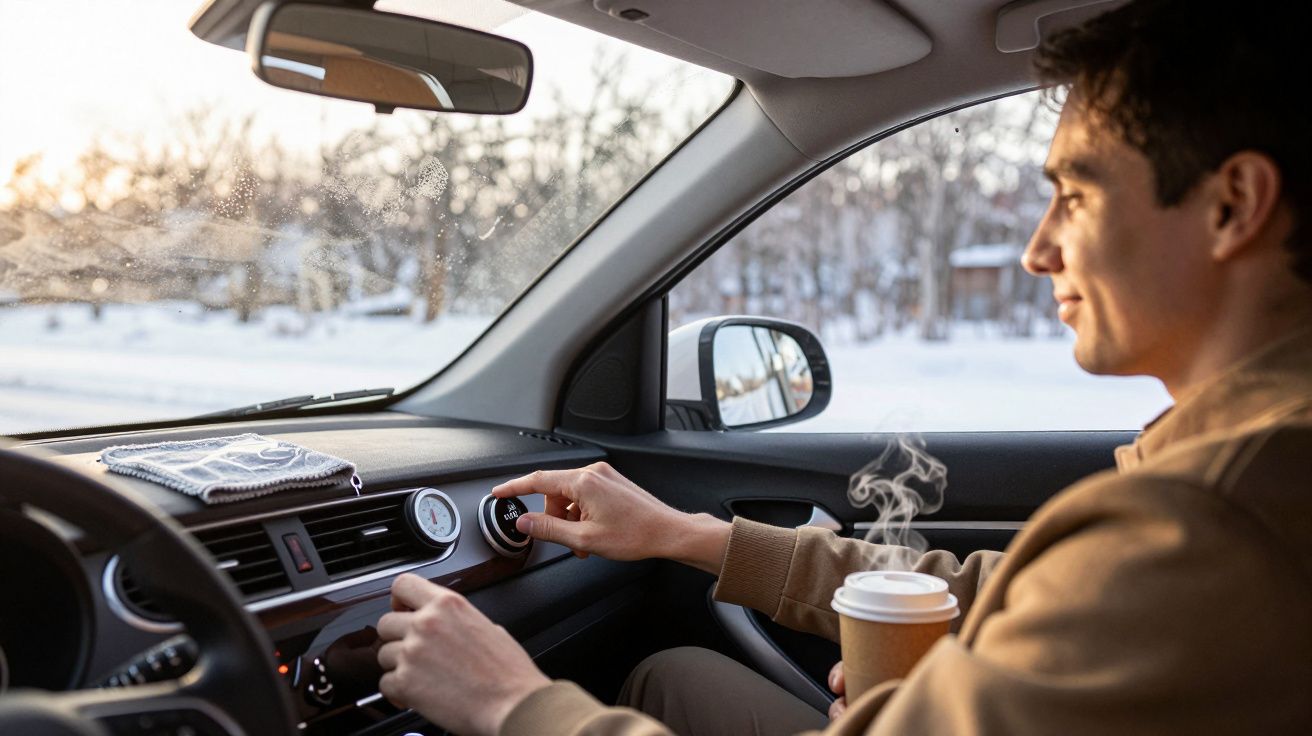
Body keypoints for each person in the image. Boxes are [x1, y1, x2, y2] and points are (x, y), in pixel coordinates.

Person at [373, 0, 1312, 733]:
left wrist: (508, 702)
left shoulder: (1209, 526)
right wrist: (688, 536)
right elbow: (1001, 594)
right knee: (674, 676)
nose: (1037, 249)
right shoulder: (1242, 471)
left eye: (1075, 193)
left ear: (1232, 204)